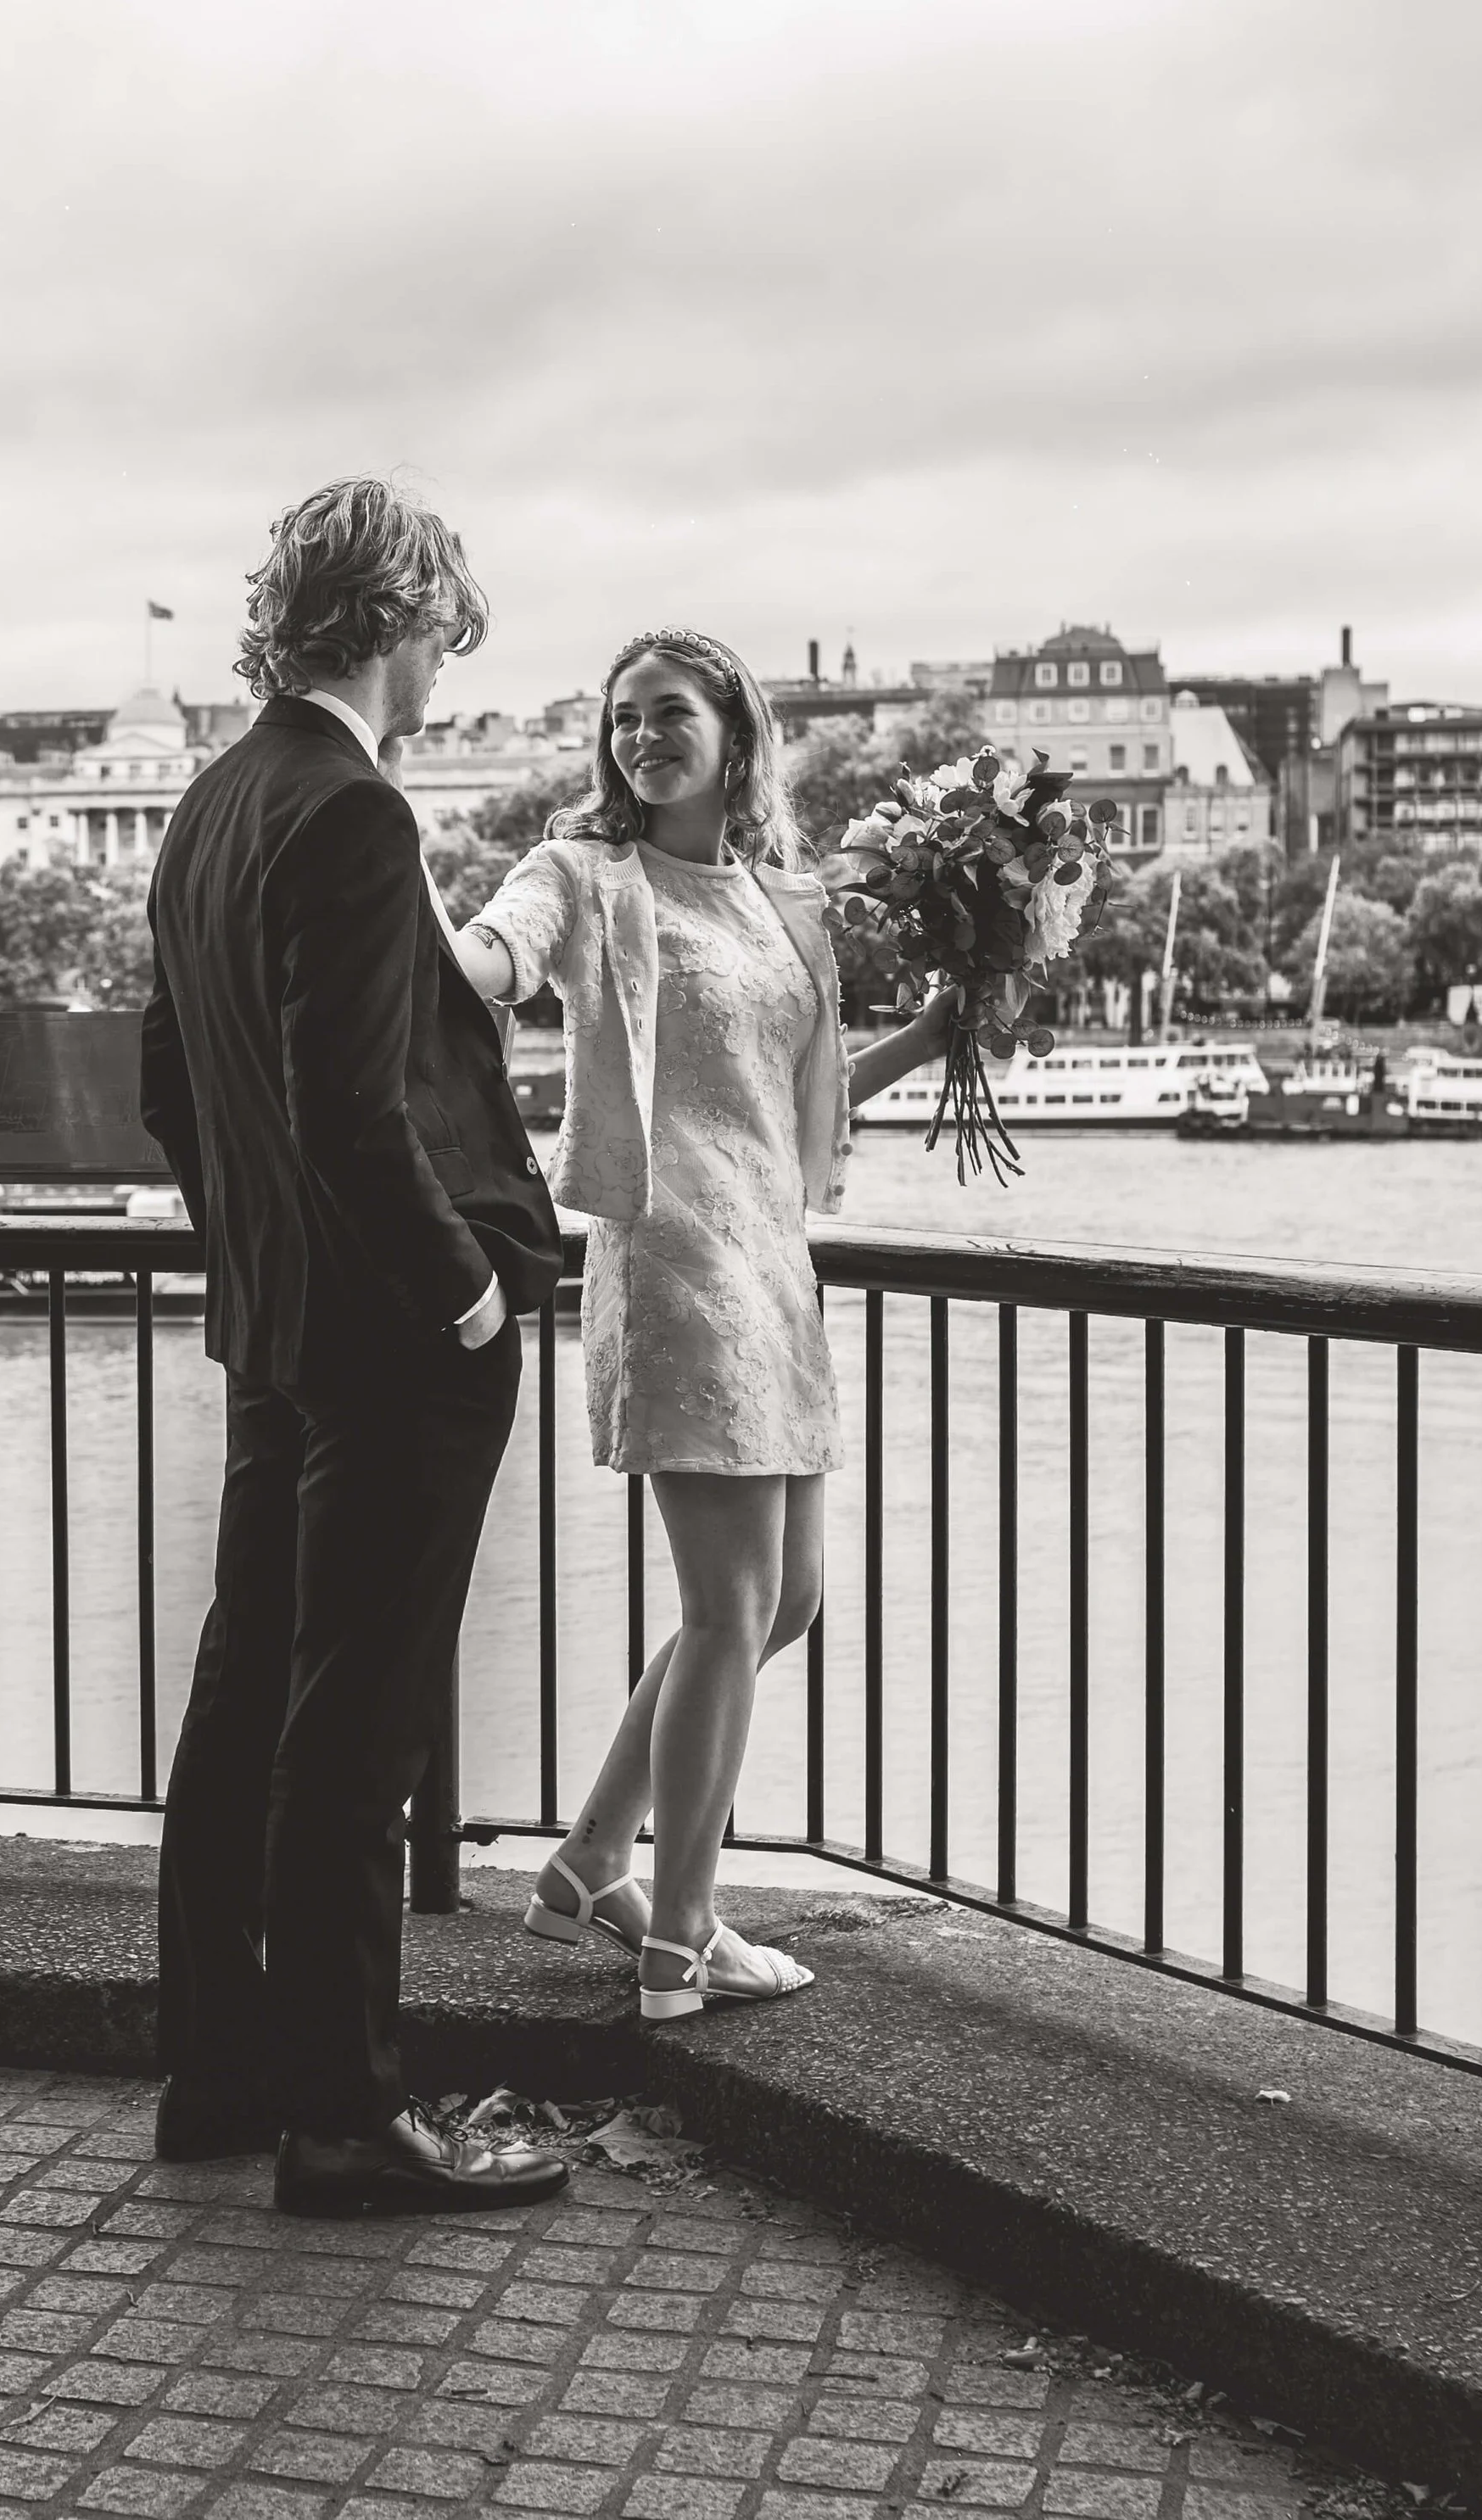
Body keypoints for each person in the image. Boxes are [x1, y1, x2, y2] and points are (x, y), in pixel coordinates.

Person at [141, 477, 570, 2215]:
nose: (447, 665)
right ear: (401, 618)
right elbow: (352, 1107)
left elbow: (171, 1087)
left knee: (248, 1700)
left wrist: (260, 1266)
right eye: (443, 629)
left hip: (277, 1331)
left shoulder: (212, 805)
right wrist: (465, 1293)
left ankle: (221, 2075)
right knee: (359, 1729)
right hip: (394, 1339)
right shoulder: (353, 813)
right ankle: (346, 2114)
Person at [445, 628, 948, 2018]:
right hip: (669, 1256)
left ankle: (590, 1860)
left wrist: (952, 1026)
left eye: (669, 712)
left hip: (770, 1262)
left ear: (736, 731)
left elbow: (812, 1103)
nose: (640, 735)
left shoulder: (790, 902)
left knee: (785, 1600)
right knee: (729, 1606)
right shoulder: (583, 874)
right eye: (621, 717)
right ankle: (682, 1934)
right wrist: (452, 951)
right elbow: (499, 950)